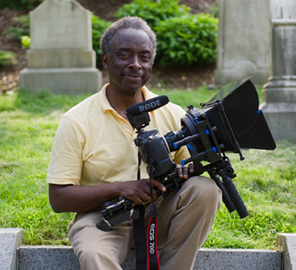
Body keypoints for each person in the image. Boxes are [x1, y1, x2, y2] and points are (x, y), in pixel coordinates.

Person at [47, 16, 222, 270]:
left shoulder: (171, 113)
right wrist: (121, 188)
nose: (135, 65)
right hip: (103, 216)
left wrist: (187, 170)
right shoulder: (76, 120)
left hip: (158, 212)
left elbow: (188, 163)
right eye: (125, 55)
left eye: (144, 57)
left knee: (205, 190)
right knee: (95, 255)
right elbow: (59, 198)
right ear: (106, 59)